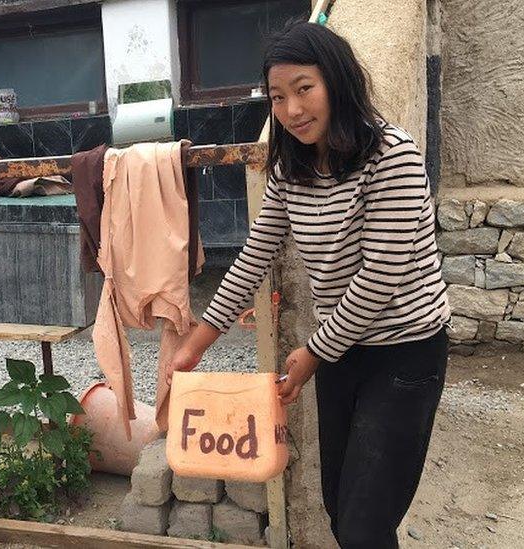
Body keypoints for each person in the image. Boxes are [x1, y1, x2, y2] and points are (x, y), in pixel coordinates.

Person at [167, 21, 451, 548]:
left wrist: (313, 353)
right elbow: (254, 258)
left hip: (405, 353)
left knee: (366, 524)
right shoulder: (290, 168)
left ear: (337, 83)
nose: (292, 110)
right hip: (343, 356)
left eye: (304, 89)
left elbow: (381, 275)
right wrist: (192, 349)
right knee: (341, 513)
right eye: (278, 97)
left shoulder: (393, 156)